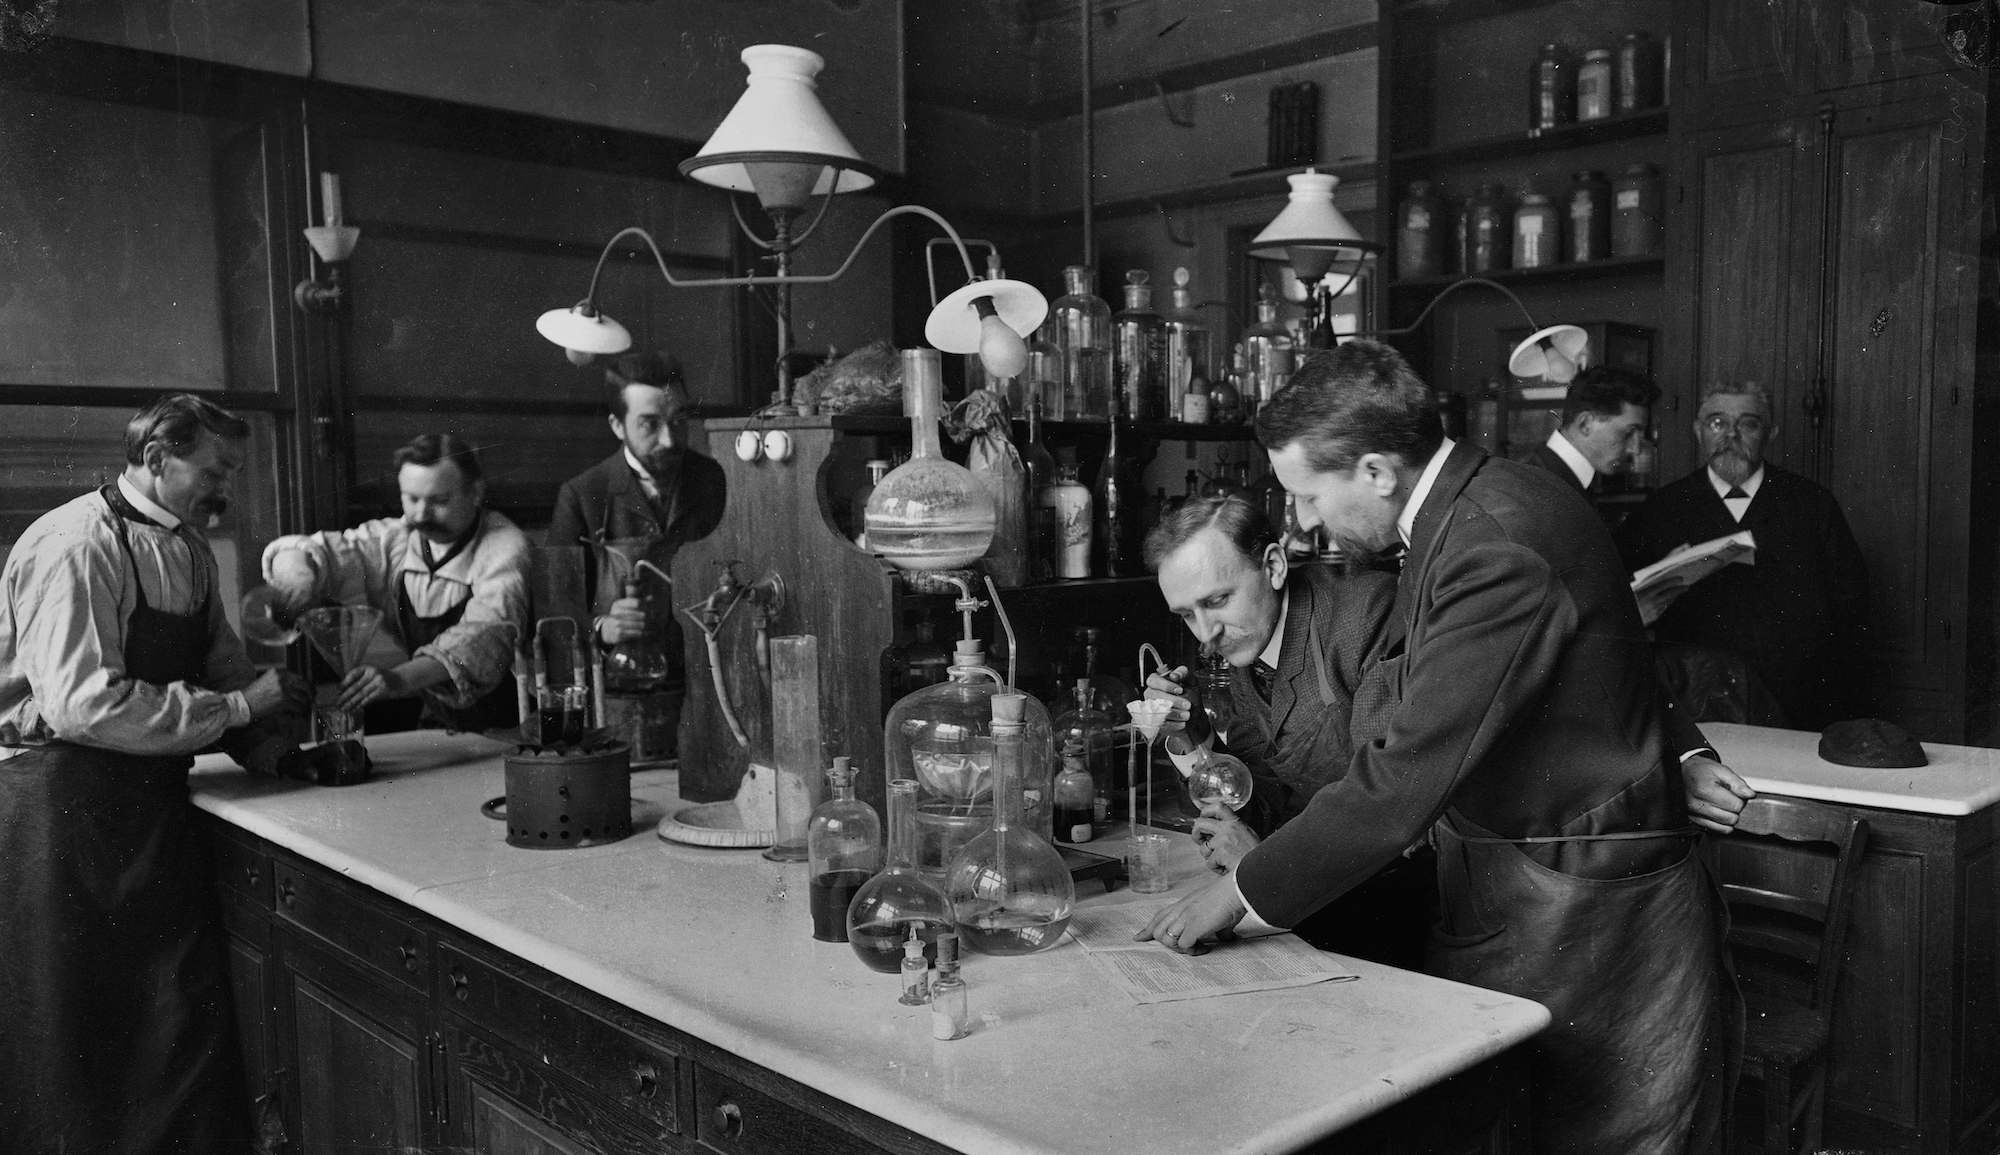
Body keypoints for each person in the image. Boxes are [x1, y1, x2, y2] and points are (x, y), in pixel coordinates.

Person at [1139, 342, 1738, 1154]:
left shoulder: (1489, 540)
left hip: (1586, 897)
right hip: (1537, 878)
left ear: (1379, 471)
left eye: (1307, 494)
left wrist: (1240, 892)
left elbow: (1397, 783)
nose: (1305, 519)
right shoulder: (1482, 502)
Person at [0, 393, 311, 1150]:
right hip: (59, 815)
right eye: (213, 471)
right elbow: (83, 705)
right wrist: (237, 707)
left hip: (151, 813)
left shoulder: (190, 550)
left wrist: (270, 744)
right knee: (75, 1038)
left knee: (172, 1027)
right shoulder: (76, 544)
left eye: (231, 472)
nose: (224, 490)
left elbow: (224, 668)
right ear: (154, 459)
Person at [1139, 493, 1432, 968]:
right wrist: (1190, 735)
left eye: (1217, 600)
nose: (1204, 634)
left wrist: (1252, 878)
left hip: (1401, 913)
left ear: (1273, 565)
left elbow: (1395, 815)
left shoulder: (1365, 615)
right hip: (1319, 906)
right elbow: (1273, 798)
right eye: (1187, 615)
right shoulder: (1248, 639)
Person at [1617, 381, 1870, 731]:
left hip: (1798, 701)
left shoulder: (1811, 504)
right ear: (1697, 431)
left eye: (1748, 424)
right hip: (1697, 701)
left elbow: (1851, 604)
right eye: (1717, 423)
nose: (1730, 435)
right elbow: (1625, 604)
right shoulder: (1661, 509)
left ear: (1771, 432)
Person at [265, 432, 530, 731]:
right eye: (412, 498)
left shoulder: (505, 546)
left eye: (439, 500)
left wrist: (399, 679)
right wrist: (300, 579)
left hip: (512, 725)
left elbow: (486, 634)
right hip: (440, 722)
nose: (421, 514)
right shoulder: (397, 538)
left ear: (476, 492)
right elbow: (314, 550)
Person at [547, 352, 726, 758]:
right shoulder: (580, 495)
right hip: (622, 703)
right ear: (617, 425)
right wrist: (604, 627)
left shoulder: (715, 480)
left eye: (679, 420)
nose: (669, 438)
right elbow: (554, 611)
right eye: (649, 424)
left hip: (708, 689)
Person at [1518, 363, 1659, 495]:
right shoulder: (1536, 488)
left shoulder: (1552, 476)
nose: (1635, 449)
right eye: (1628, 433)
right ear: (1586, 424)